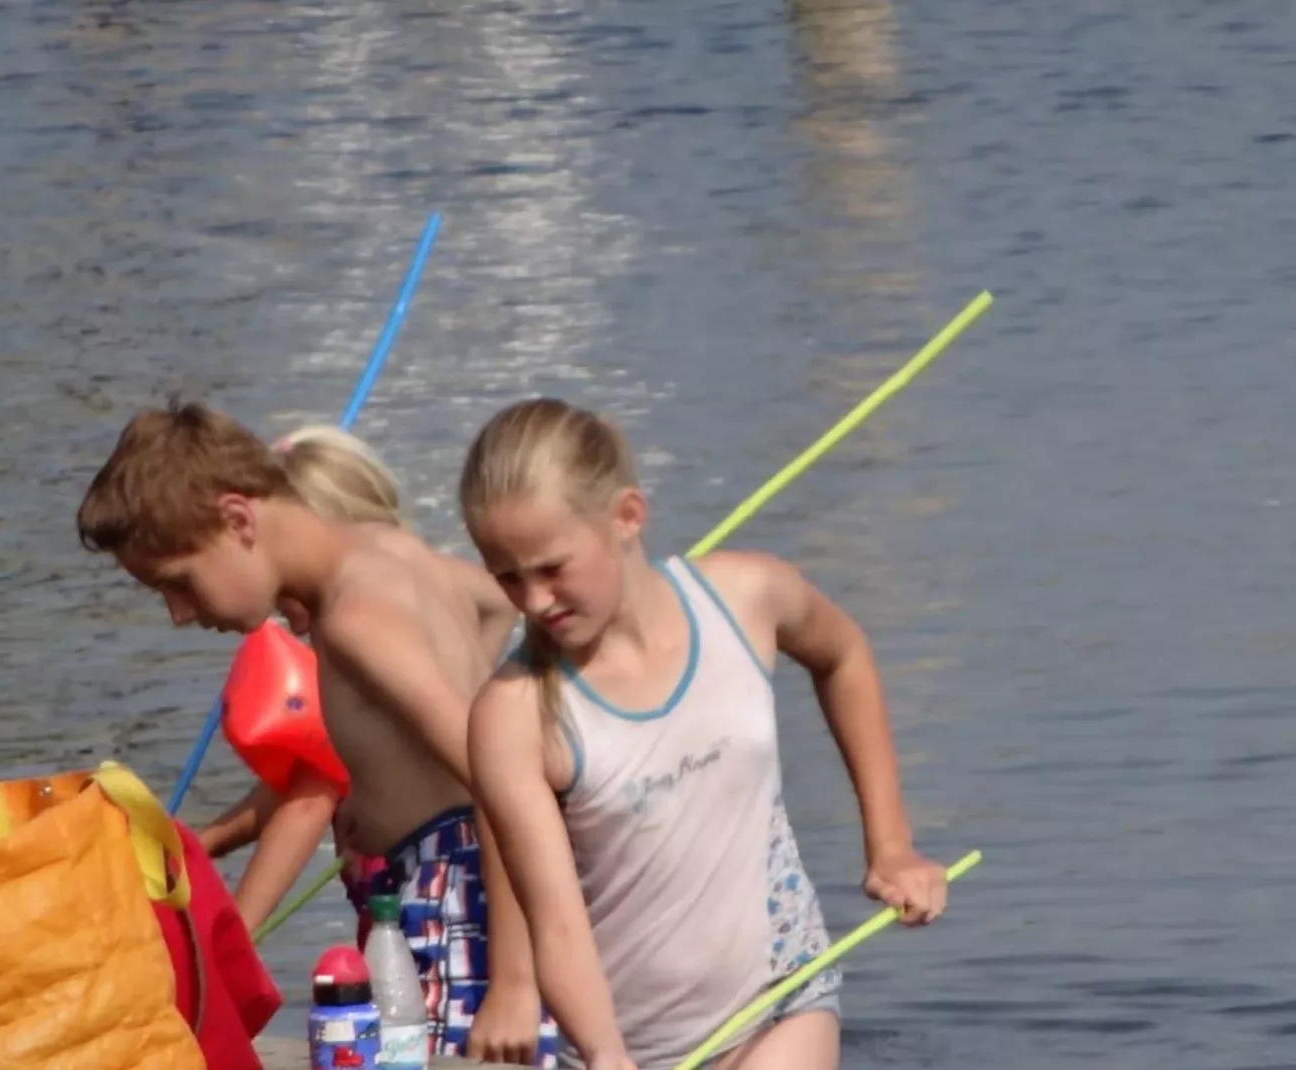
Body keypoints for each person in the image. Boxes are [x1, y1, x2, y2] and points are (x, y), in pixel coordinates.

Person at [456, 398, 952, 1070]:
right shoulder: (513, 714)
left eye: (552, 568)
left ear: (627, 516)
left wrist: (890, 844)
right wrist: (606, 1055)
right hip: (629, 1046)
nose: (534, 600)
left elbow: (845, 657)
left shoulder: (745, 598)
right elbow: (556, 924)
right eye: (508, 578)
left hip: (782, 994)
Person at [76, 402, 560, 1068]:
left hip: (455, 913)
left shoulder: (357, 615)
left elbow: (500, 784)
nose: (180, 614)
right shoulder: (392, 554)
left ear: (239, 519)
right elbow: (494, 604)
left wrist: (514, 979)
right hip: (458, 887)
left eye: (178, 584)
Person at [197, 425, 519, 950]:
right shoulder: (424, 579)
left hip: (426, 883)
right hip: (401, 879)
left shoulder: (358, 623)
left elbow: (309, 796)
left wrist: (237, 932)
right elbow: (501, 602)